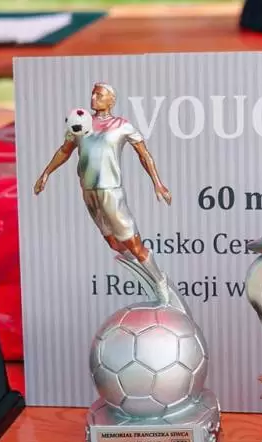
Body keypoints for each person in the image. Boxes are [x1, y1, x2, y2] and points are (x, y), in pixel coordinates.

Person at [33, 82, 173, 301]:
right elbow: (64, 151)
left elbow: (143, 154)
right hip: (88, 191)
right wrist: (46, 173)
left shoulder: (121, 125)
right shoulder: (80, 123)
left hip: (111, 192)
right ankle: (141, 267)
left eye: (99, 95)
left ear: (111, 100)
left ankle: (159, 279)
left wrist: (157, 183)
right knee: (112, 242)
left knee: (132, 243)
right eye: (93, 94)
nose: (94, 98)